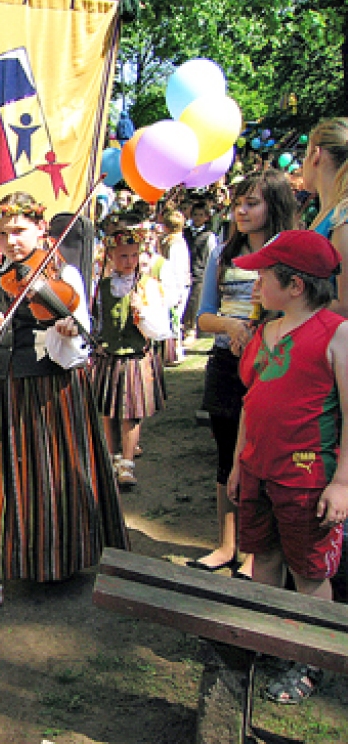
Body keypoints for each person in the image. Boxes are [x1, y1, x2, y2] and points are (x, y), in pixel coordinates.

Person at [0, 192, 129, 625]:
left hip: (56, 390)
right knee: (3, 482)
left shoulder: (64, 274)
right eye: (2, 233)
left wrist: (67, 331)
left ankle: (76, 560)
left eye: (19, 231)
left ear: (40, 230)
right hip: (8, 388)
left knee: (62, 474)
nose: (11, 241)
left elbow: (80, 345)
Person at [228, 229, 348, 705]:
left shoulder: (336, 334)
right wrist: (240, 462)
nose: (255, 284)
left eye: (263, 276)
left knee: (310, 571)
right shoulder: (264, 331)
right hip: (258, 470)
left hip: (307, 479)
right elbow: (250, 402)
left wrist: (342, 483)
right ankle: (269, 636)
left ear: (295, 285)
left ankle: (315, 657)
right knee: (265, 557)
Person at [190, 169, 296, 577]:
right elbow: (203, 317)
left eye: (252, 203)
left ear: (275, 205)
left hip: (273, 368)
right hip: (225, 364)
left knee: (259, 458)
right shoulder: (223, 253)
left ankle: (257, 552)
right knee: (225, 454)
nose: (242, 211)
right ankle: (226, 544)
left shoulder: (289, 254)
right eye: (238, 203)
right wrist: (231, 327)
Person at [92, 216, 170, 489]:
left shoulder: (147, 285)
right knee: (107, 410)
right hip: (108, 355)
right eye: (123, 256)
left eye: (134, 255)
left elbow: (160, 329)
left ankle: (127, 463)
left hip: (134, 356)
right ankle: (112, 458)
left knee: (129, 412)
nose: (129, 261)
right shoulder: (101, 287)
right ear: (111, 256)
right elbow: (95, 321)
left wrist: (143, 312)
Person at [301, 118, 348, 317]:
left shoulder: (342, 219)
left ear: (316, 155)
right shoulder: (328, 213)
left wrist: (289, 300)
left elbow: (345, 306)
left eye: (304, 154)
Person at [182, 201, 217, 345]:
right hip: (186, 271)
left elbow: (210, 256)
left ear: (206, 217)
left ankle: (192, 328)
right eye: (195, 215)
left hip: (200, 272)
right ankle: (184, 327)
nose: (197, 218)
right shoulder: (185, 233)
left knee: (195, 301)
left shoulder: (208, 236)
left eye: (201, 215)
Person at [159, 210, 191, 365]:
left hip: (177, 286)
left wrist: (176, 290)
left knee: (174, 319)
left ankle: (175, 353)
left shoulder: (176, 244)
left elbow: (176, 269)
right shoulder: (170, 241)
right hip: (173, 284)